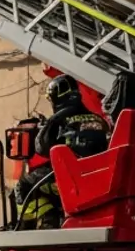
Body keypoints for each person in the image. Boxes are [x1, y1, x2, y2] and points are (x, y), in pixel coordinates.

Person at [14, 75, 110, 229]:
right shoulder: (99, 119)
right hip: (99, 179)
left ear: (55, 98)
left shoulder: (58, 120)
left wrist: (48, 126)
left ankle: (41, 220)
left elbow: (41, 147)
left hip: (70, 180)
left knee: (23, 185)